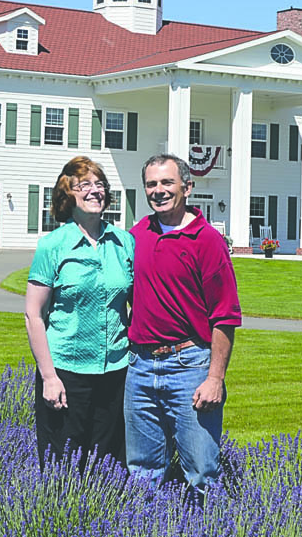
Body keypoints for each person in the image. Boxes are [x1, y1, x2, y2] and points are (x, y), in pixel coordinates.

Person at [124, 153, 241, 492]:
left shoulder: (207, 241)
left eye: (167, 182)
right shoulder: (136, 236)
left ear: (187, 187)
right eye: (151, 184)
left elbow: (225, 315)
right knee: (142, 473)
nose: (158, 190)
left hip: (189, 366)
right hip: (140, 366)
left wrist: (215, 378)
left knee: (202, 471)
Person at [24, 156, 134, 467]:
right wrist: (49, 377)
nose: (95, 191)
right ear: (67, 194)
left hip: (115, 371)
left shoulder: (124, 243)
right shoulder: (53, 246)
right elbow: (34, 314)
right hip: (66, 372)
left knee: (110, 465)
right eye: (84, 185)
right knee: (62, 465)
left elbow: (139, 304)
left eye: (100, 185)